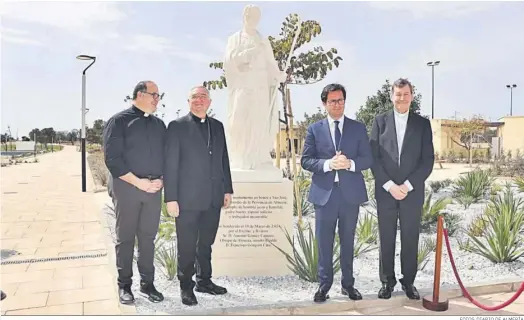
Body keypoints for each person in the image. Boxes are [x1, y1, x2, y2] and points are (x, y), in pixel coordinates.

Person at [301, 83, 374, 303]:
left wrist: (349, 163)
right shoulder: (314, 129)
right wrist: (329, 164)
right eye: (332, 101)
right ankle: (324, 285)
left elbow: (367, 159)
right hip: (324, 194)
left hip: (350, 194)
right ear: (324, 103)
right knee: (324, 242)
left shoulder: (358, 128)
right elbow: (306, 160)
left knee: (348, 240)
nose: (337, 104)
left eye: (340, 100)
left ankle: (348, 285)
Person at [164, 86, 233, 306]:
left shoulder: (218, 126)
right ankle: (186, 286)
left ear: (210, 102)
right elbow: (170, 164)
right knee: (186, 245)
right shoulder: (176, 126)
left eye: (203, 97)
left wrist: (227, 189)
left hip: (213, 197)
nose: (199, 100)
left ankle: (204, 280)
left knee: (206, 243)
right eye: (195, 97)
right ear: (189, 101)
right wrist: (171, 198)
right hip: (187, 200)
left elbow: (224, 159)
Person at [369, 78, 434, 300]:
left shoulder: (422, 124)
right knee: (386, 238)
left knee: (410, 238)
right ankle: (387, 282)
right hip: (386, 191)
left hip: (411, 192)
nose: (402, 98)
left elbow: (427, 161)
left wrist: (406, 186)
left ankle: (409, 282)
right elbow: (374, 158)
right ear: (391, 96)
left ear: (412, 96)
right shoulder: (379, 122)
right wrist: (389, 186)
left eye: (406, 94)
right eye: (398, 94)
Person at [103, 80, 166, 305]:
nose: (157, 99)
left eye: (159, 96)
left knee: (148, 239)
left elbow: (166, 157)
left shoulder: (159, 125)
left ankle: (148, 284)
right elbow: (112, 160)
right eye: (154, 95)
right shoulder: (119, 122)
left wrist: (161, 179)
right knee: (126, 239)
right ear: (140, 94)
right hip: (127, 188)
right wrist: (139, 183)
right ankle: (125, 286)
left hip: (153, 190)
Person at [223, 4, 288, 171]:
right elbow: (229, 62)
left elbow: (270, 63)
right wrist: (247, 55)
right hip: (243, 86)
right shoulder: (235, 39)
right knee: (239, 120)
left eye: (256, 18)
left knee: (259, 121)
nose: (253, 21)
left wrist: (278, 75)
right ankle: (240, 157)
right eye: (250, 17)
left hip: (259, 86)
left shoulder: (262, 40)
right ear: (245, 17)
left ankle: (259, 157)